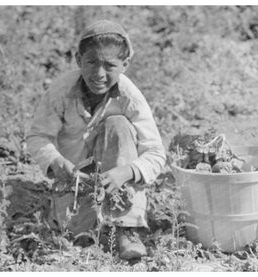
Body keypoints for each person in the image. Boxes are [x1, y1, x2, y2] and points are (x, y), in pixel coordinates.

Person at [26, 20, 166, 260]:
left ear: (125, 65)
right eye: (91, 62)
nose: (99, 74)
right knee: (76, 236)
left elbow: (155, 152)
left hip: (117, 181)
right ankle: (87, 223)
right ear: (79, 60)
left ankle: (125, 228)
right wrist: (56, 162)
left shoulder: (129, 96)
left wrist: (126, 172)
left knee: (118, 124)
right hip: (76, 179)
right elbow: (38, 135)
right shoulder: (61, 90)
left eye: (109, 65)